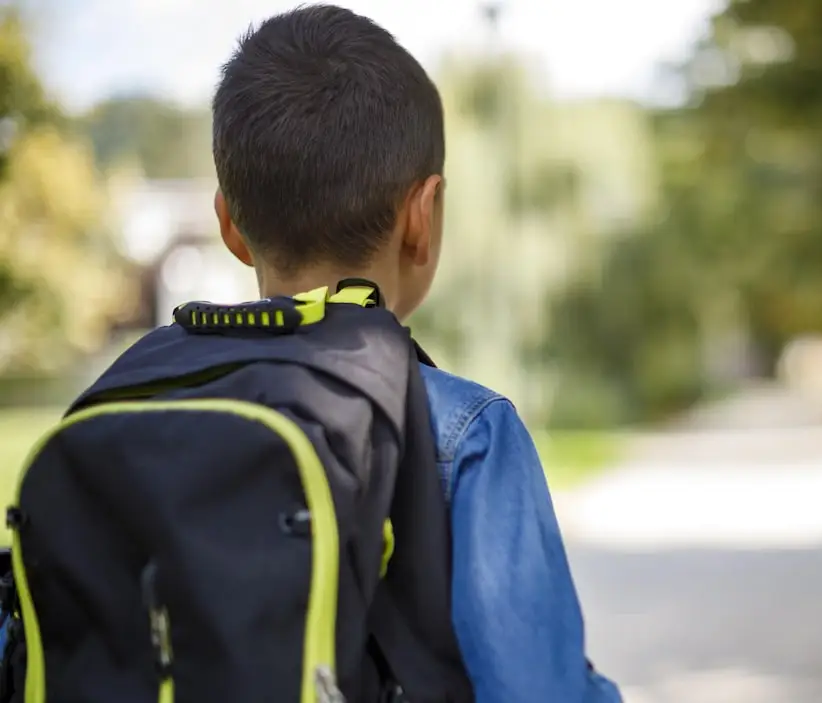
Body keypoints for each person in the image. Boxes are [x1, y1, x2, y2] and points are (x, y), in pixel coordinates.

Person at [210, 5, 621, 702]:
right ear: (421, 217)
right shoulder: (463, 433)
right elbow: (537, 689)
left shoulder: (120, 411)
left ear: (230, 224)